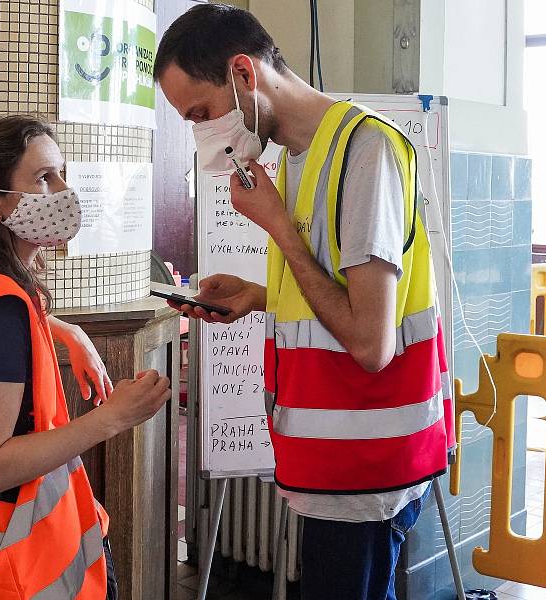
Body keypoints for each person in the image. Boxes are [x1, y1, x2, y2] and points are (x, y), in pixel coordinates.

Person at [155, 5, 454, 599]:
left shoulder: (365, 151)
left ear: (244, 73)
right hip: (331, 470)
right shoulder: (298, 157)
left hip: (366, 474)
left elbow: (371, 343)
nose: (201, 133)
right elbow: (341, 293)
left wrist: (278, 227)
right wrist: (260, 296)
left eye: (201, 113)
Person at [0, 115, 171, 600]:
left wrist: (63, 329)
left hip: (14, 567)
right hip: (24, 574)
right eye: (42, 178)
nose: (62, 191)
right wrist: (112, 418)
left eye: (61, 174)